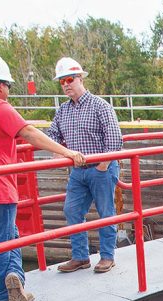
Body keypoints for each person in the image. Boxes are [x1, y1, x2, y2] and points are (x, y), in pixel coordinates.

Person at [0, 54, 85, 301]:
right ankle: (1, 295)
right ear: (0, 85)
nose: (8, 91)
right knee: (2, 243)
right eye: (8, 86)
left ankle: (16, 279)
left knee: (9, 236)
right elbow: (28, 133)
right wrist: (66, 152)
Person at [47, 57, 124, 274]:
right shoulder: (63, 111)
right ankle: (80, 256)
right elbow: (52, 135)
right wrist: (57, 151)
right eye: (61, 81)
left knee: (106, 212)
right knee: (72, 210)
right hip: (78, 171)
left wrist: (103, 164)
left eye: (69, 79)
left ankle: (107, 256)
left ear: (80, 78)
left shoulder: (100, 106)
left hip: (101, 168)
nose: (65, 85)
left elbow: (114, 138)